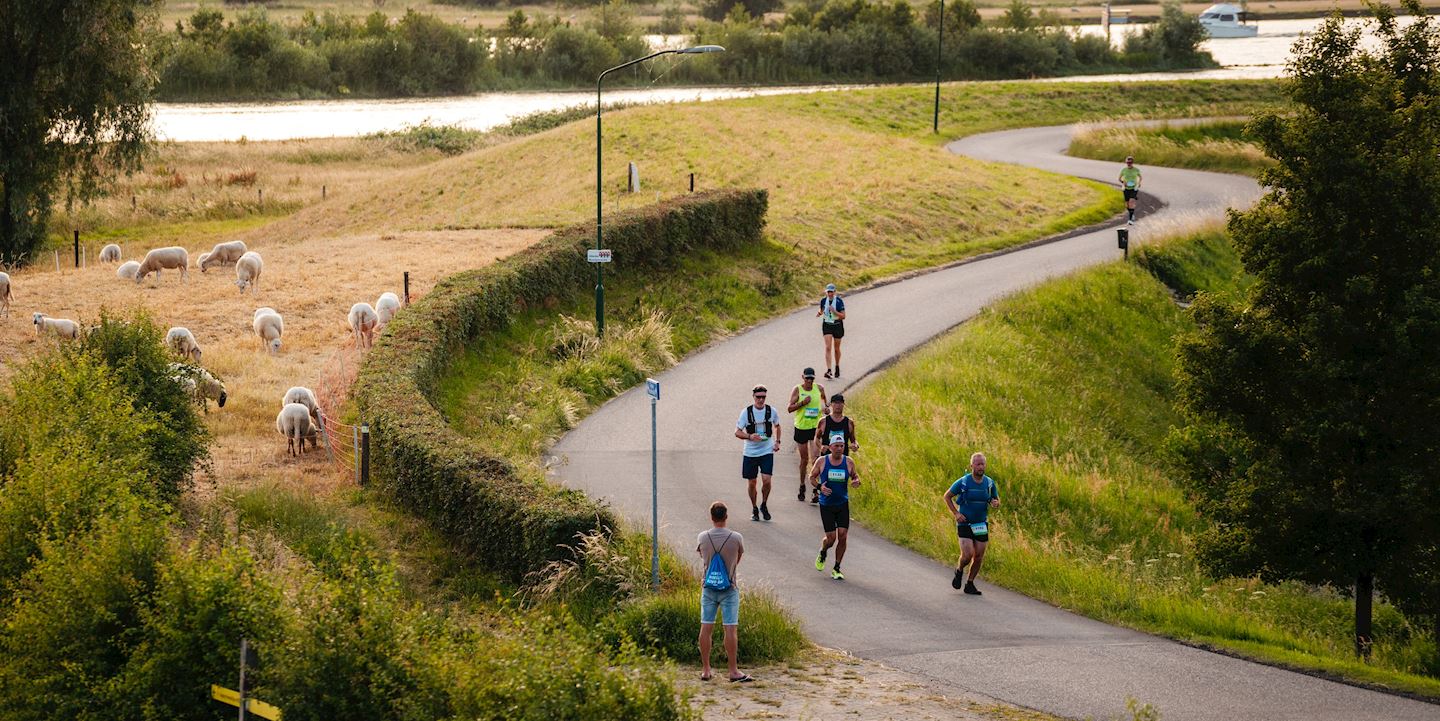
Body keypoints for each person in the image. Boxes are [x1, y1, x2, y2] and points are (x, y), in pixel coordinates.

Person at [697, 501, 752, 683]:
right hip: (729, 587)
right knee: (730, 629)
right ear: (726, 517)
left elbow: (703, 557)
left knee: (706, 628)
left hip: (708, 588)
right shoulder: (736, 537)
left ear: (711, 517)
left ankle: (706, 669)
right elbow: (738, 558)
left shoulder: (703, 537)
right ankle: (733, 671)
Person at [943, 452, 1001, 596]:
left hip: (981, 523)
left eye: (983, 464)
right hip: (965, 523)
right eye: (978, 464)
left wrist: (995, 503)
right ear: (972, 466)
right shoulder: (963, 481)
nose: (981, 467)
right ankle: (959, 570)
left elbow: (995, 499)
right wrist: (956, 514)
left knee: (979, 556)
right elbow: (947, 496)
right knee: (968, 555)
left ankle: (970, 584)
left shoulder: (989, 483)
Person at [809, 433, 860, 580]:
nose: (839, 449)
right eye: (836, 446)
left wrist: (856, 481)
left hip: (842, 503)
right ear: (830, 447)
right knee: (831, 539)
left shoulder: (849, 462)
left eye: (842, 446)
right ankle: (823, 551)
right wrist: (820, 487)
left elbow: (855, 476)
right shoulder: (822, 461)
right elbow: (811, 477)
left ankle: (837, 567)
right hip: (826, 505)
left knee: (843, 536)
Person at [735, 385, 781, 522]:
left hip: (767, 450)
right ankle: (754, 507)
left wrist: (778, 441)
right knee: (752, 483)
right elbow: (737, 432)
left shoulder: (771, 411)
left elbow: (777, 426)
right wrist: (749, 436)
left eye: (763, 397)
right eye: (758, 397)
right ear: (753, 397)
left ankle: (764, 504)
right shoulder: (746, 412)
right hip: (750, 452)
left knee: (767, 480)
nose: (761, 400)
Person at [787, 367, 827, 503]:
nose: (809, 380)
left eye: (812, 378)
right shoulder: (797, 390)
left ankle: (815, 491)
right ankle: (802, 485)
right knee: (804, 460)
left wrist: (826, 408)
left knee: (816, 459)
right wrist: (803, 403)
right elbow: (789, 408)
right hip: (801, 427)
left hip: (815, 428)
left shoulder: (820, 388)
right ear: (803, 377)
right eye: (807, 378)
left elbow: (825, 403)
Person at [816, 283, 846, 379]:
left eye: (831, 292)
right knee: (828, 347)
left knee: (836, 349)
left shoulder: (839, 301)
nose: (830, 294)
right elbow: (822, 309)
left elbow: (843, 316)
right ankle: (829, 370)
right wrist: (819, 313)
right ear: (826, 292)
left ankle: (837, 366)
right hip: (827, 325)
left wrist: (834, 311)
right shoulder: (823, 300)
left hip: (837, 325)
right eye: (828, 292)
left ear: (834, 292)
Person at [1118, 156, 1142, 225]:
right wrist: (1123, 182)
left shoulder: (1136, 170)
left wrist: (1139, 183)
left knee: (1131, 202)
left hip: (1134, 188)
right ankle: (1131, 213)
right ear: (1126, 162)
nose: (1129, 164)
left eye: (1130, 162)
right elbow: (1119, 179)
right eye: (1128, 162)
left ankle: (1130, 219)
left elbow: (1140, 177)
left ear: (1132, 162)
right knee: (1127, 204)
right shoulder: (1124, 170)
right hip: (1126, 188)